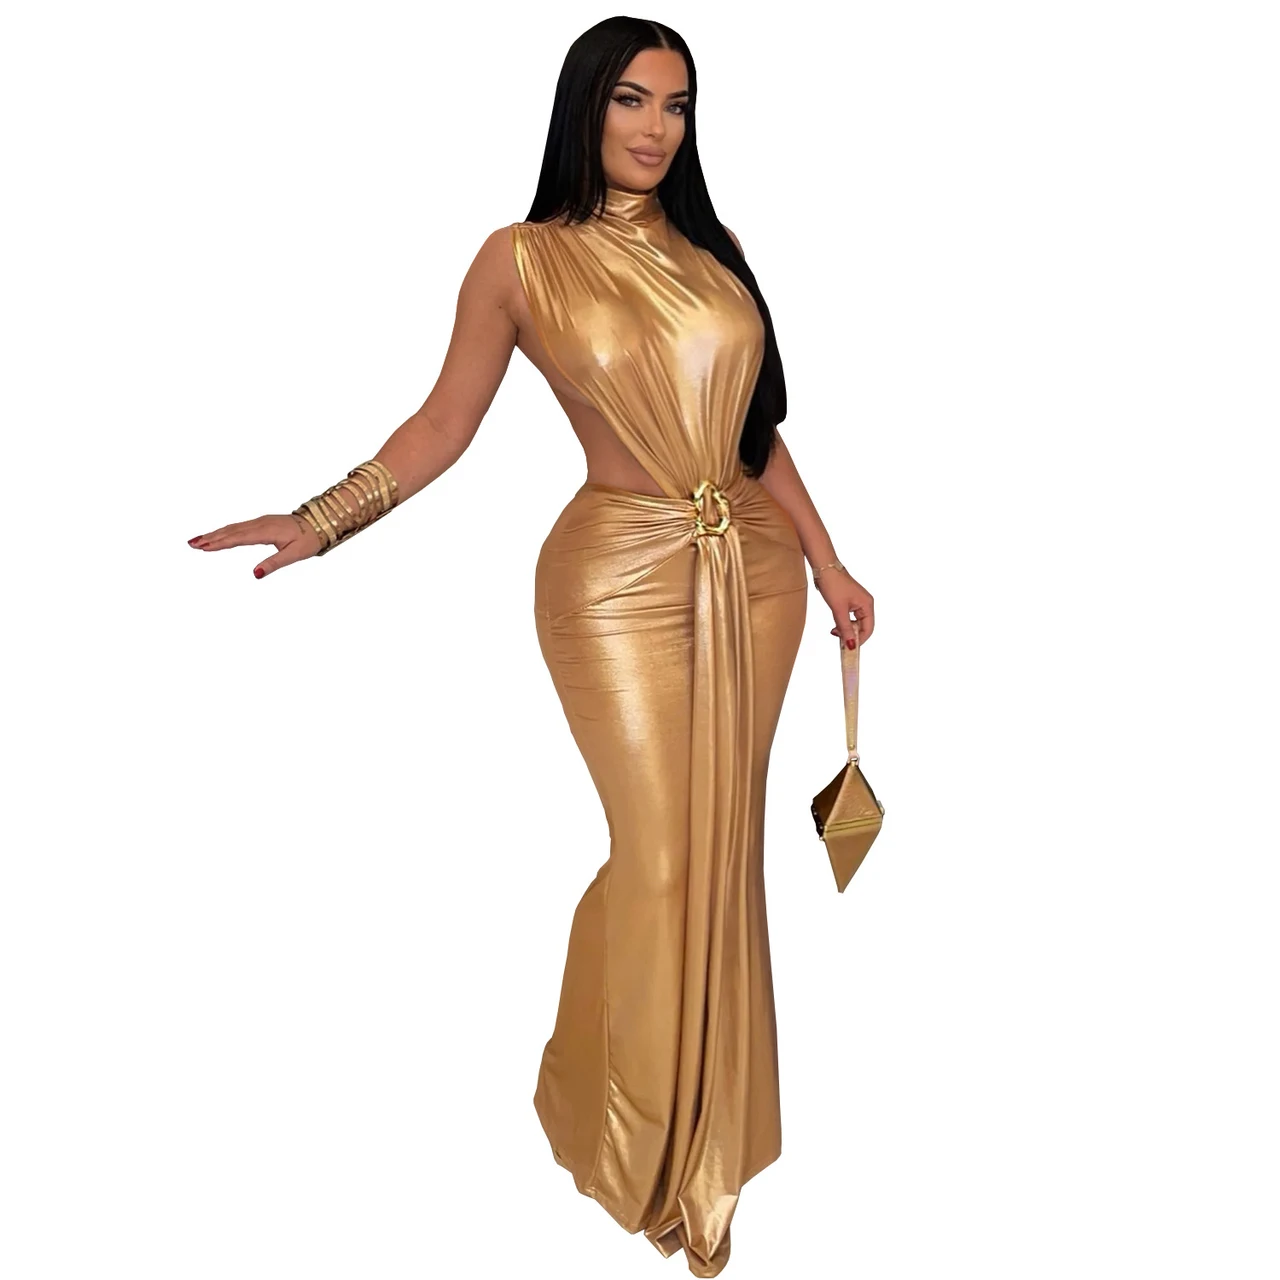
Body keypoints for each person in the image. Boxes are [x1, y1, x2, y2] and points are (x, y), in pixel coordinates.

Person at [187, 16, 874, 1277]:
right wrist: (319, 518)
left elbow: (753, 434)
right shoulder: (520, 258)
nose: (656, 128)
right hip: (612, 579)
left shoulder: (715, 250)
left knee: (721, 849)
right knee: (658, 855)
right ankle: (616, 1120)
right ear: (583, 108)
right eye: (631, 100)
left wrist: (828, 562)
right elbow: (441, 424)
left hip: (754, 576)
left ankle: (708, 1153)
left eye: (677, 104)